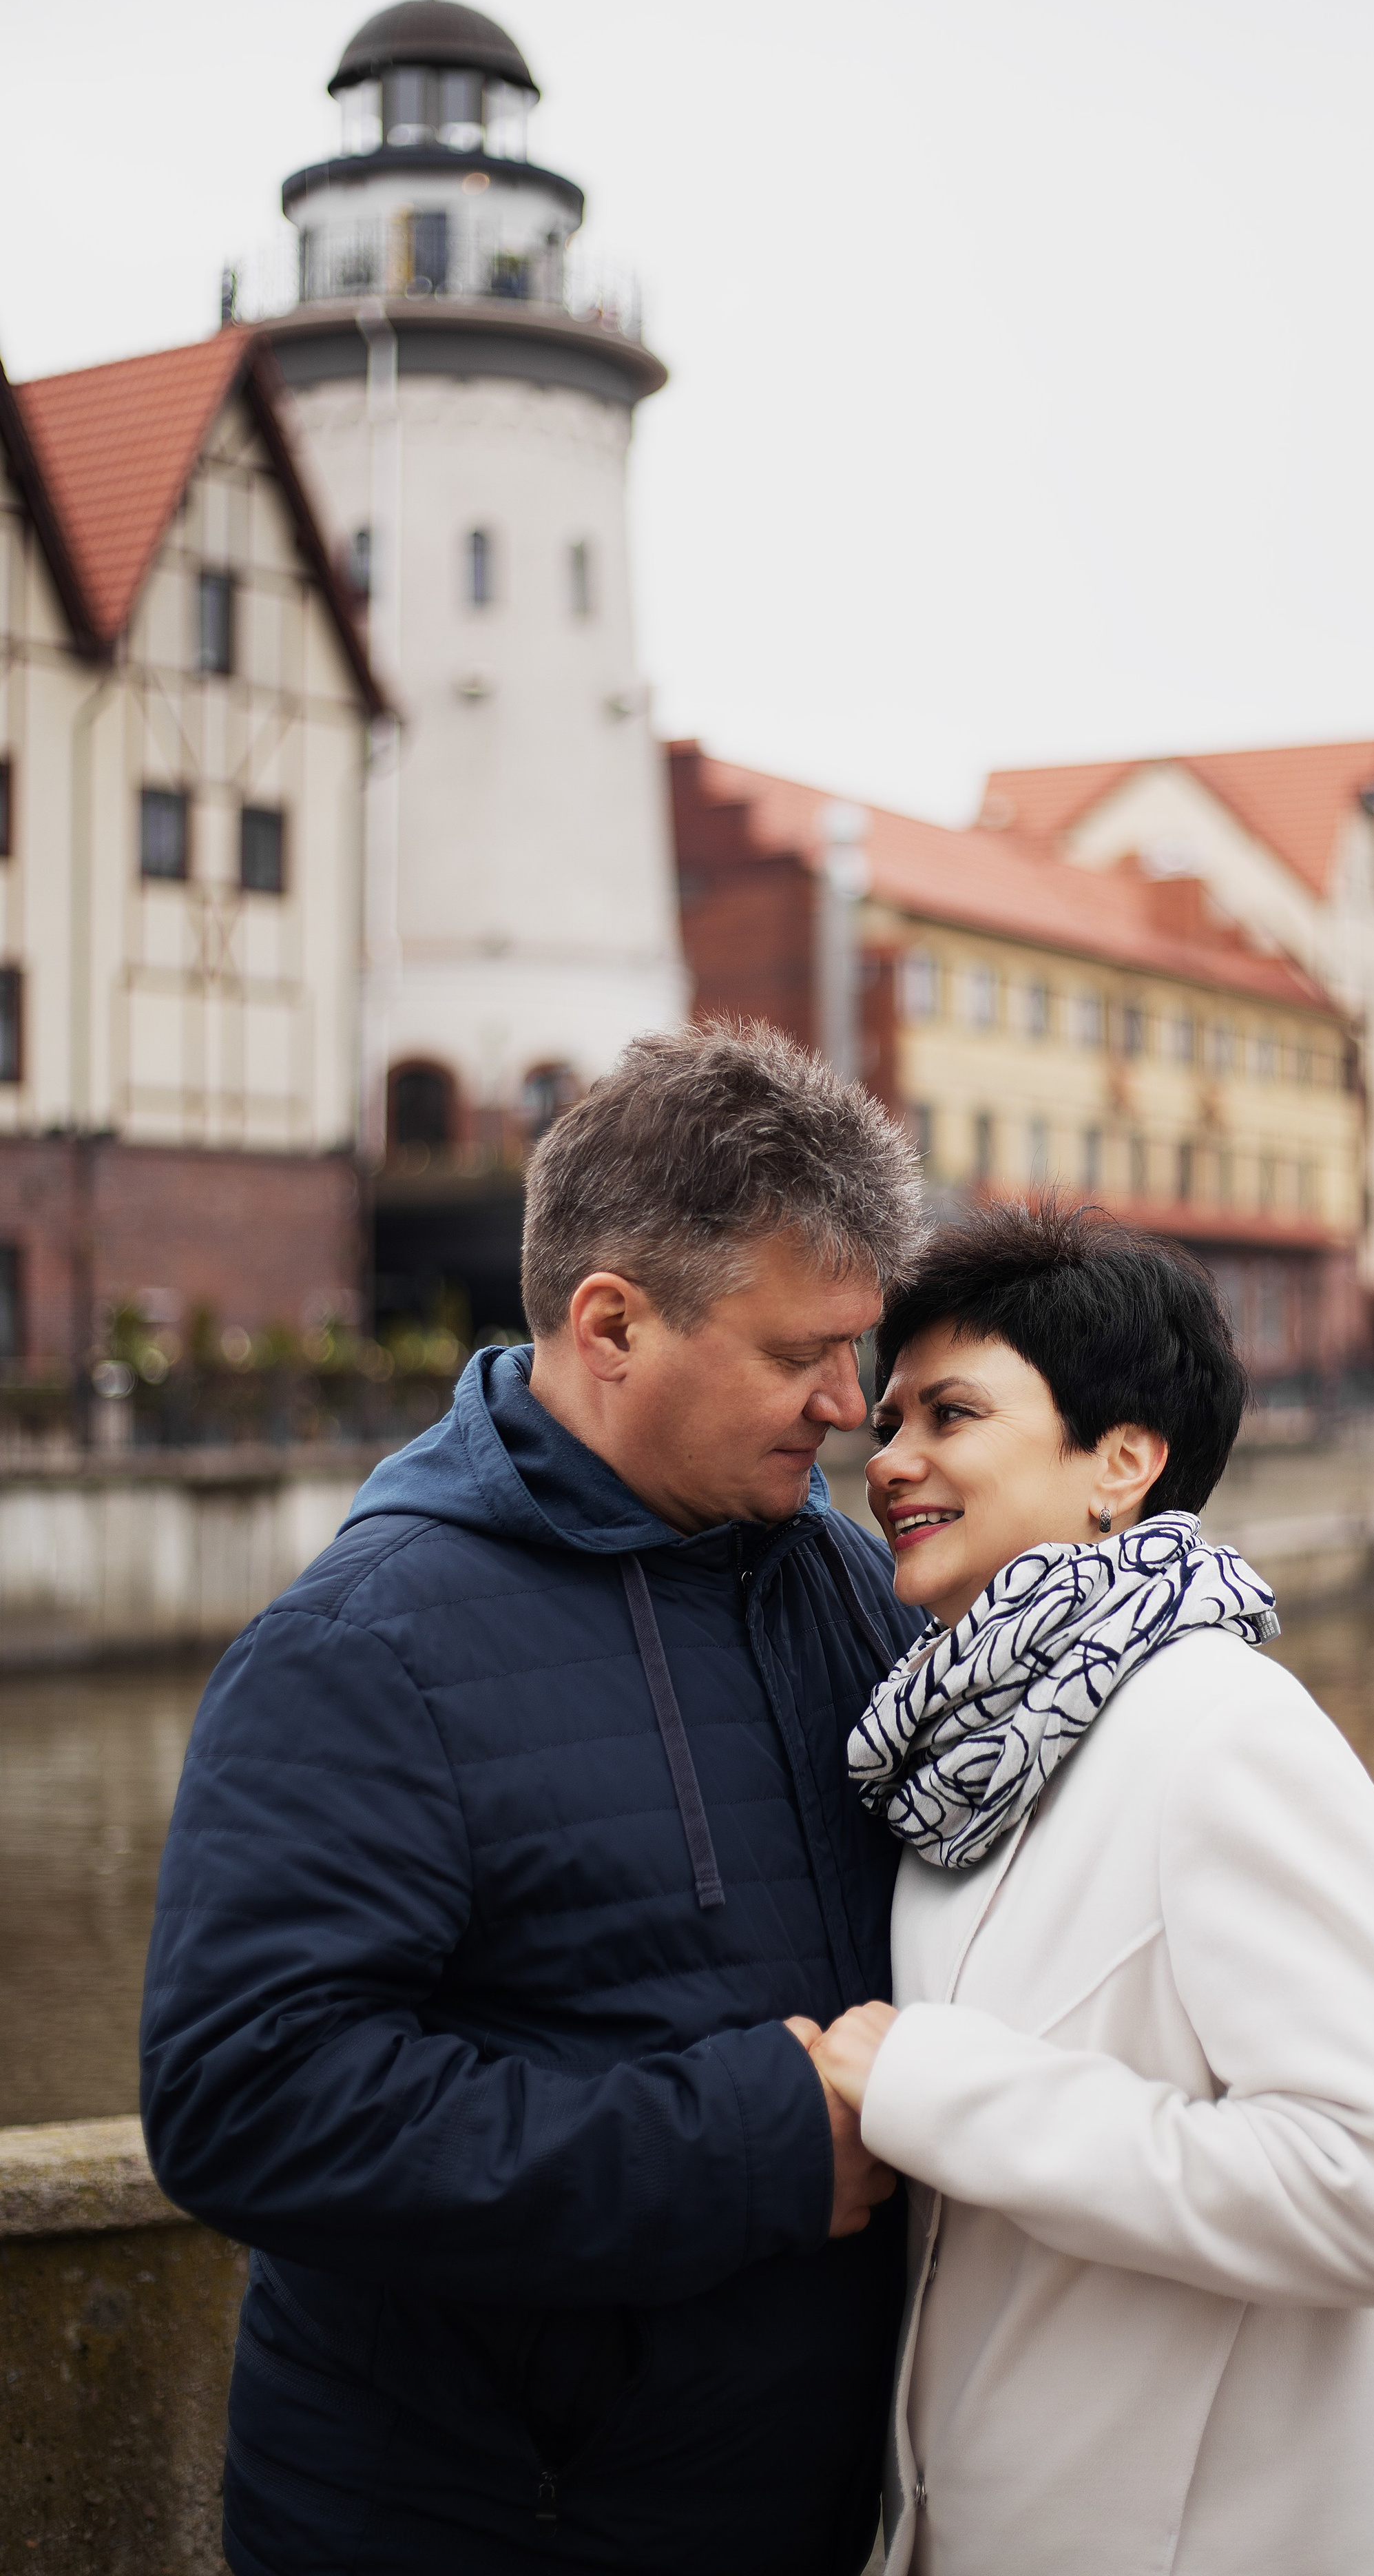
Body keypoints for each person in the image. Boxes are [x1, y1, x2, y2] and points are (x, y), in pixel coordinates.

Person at [140, 1024, 928, 2576]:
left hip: (788, 2497)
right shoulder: (362, 1646)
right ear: (612, 1324)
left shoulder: (835, 1567)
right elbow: (247, 2104)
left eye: (860, 1347)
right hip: (502, 2521)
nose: (850, 1403)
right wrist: (753, 2143)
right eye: (795, 1355)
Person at [809, 1197, 1374, 2576]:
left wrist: (938, 2090)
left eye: (949, 1416)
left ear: (1121, 1458)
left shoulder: (1224, 1729)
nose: (889, 1461)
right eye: (887, 1423)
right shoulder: (963, 1755)